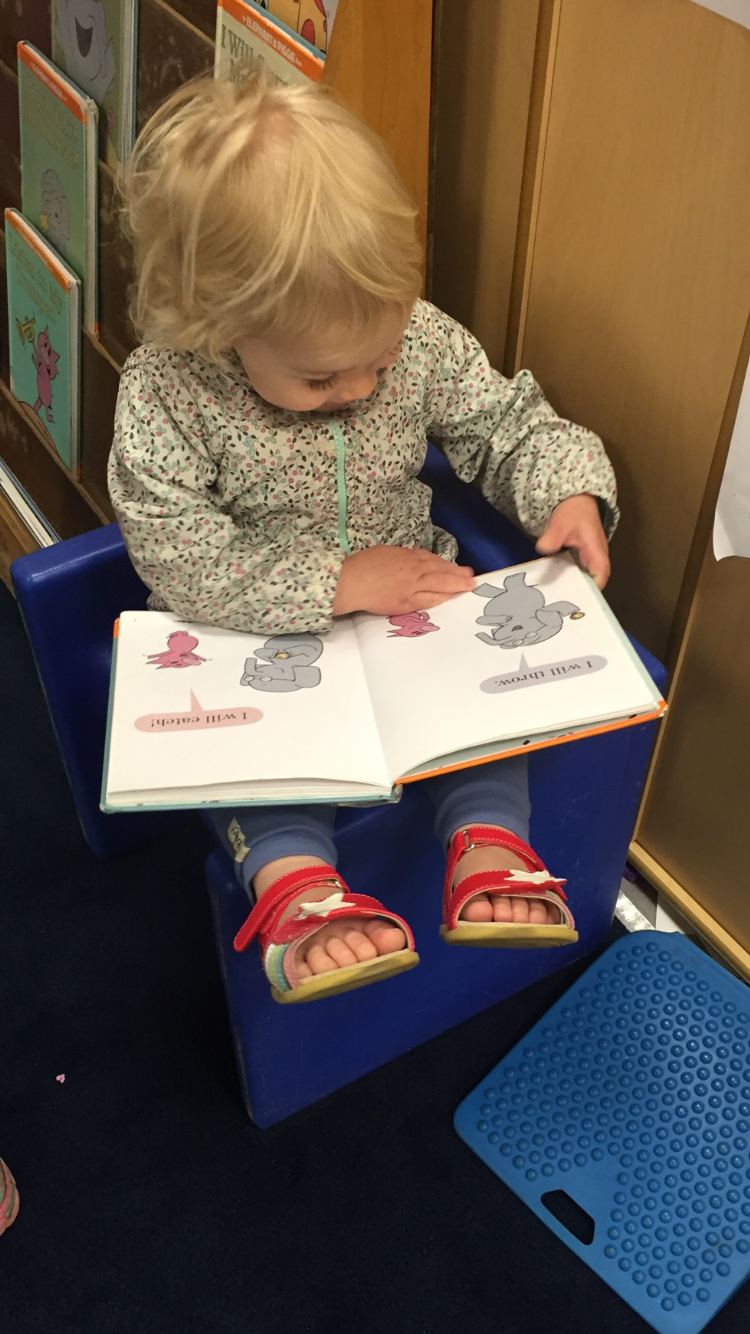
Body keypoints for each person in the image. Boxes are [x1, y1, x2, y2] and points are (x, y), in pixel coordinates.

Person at [108, 68, 618, 1004]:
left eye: (378, 360)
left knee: (484, 709)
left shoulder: (417, 339)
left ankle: (489, 838)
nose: (360, 389)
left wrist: (569, 488)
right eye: (321, 379)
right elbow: (178, 554)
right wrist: (335, 582)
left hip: (409, 610)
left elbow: (503, 423)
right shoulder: (168, 391)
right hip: (247, 631)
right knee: (255, 757)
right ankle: (297, 882)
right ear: (217, 326)